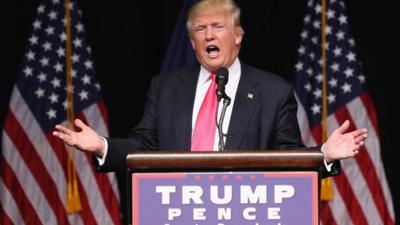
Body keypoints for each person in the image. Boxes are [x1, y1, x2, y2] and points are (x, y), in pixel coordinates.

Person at [53, 0, 367, 177]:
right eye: (200, 30)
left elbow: (286, 158)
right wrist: (101, 146)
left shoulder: (273, 91)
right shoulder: (165, 88)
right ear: (192, 42)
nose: (208, 35)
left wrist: (324, 154)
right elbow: (144, 146)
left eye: (217, 27)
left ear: (238, 35)